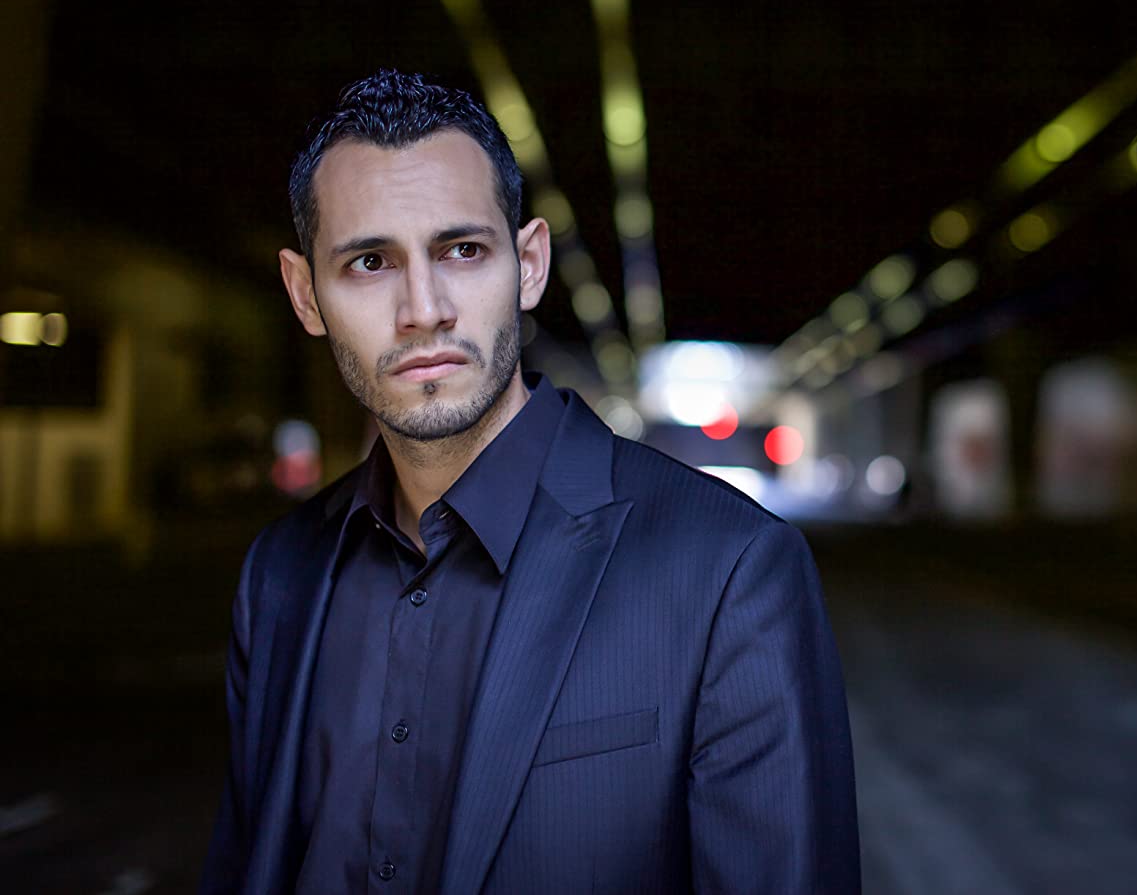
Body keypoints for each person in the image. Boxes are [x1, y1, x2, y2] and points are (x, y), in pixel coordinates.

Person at [199, 70, 860, 894]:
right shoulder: (279, 574)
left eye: (462, 250)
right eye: (370, 262)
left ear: (531, 263)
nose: (424, 308)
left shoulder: (729, 568)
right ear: (305, 294)